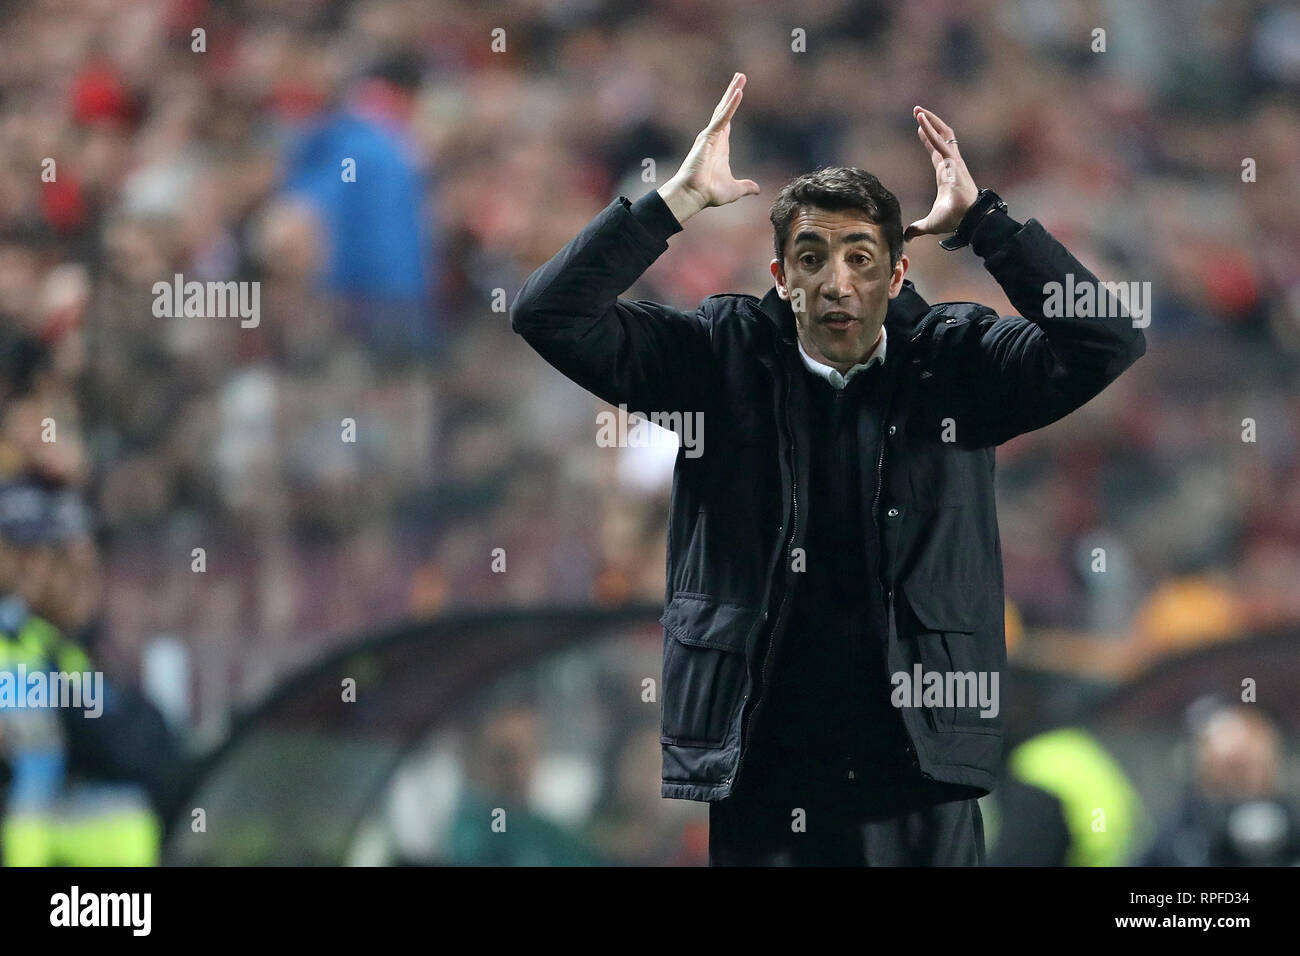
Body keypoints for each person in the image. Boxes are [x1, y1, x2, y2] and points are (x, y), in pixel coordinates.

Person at [510, 73, 1146, 865]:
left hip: (918, 768)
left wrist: (988, 224)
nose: (836, 281)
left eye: (860, 256)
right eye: (811, 256)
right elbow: (547, 313)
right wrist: (671, 203)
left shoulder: (954, 359)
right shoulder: (719, 357)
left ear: (897, 275)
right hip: (767, 767)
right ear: (781, 277)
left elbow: (1108, 340)